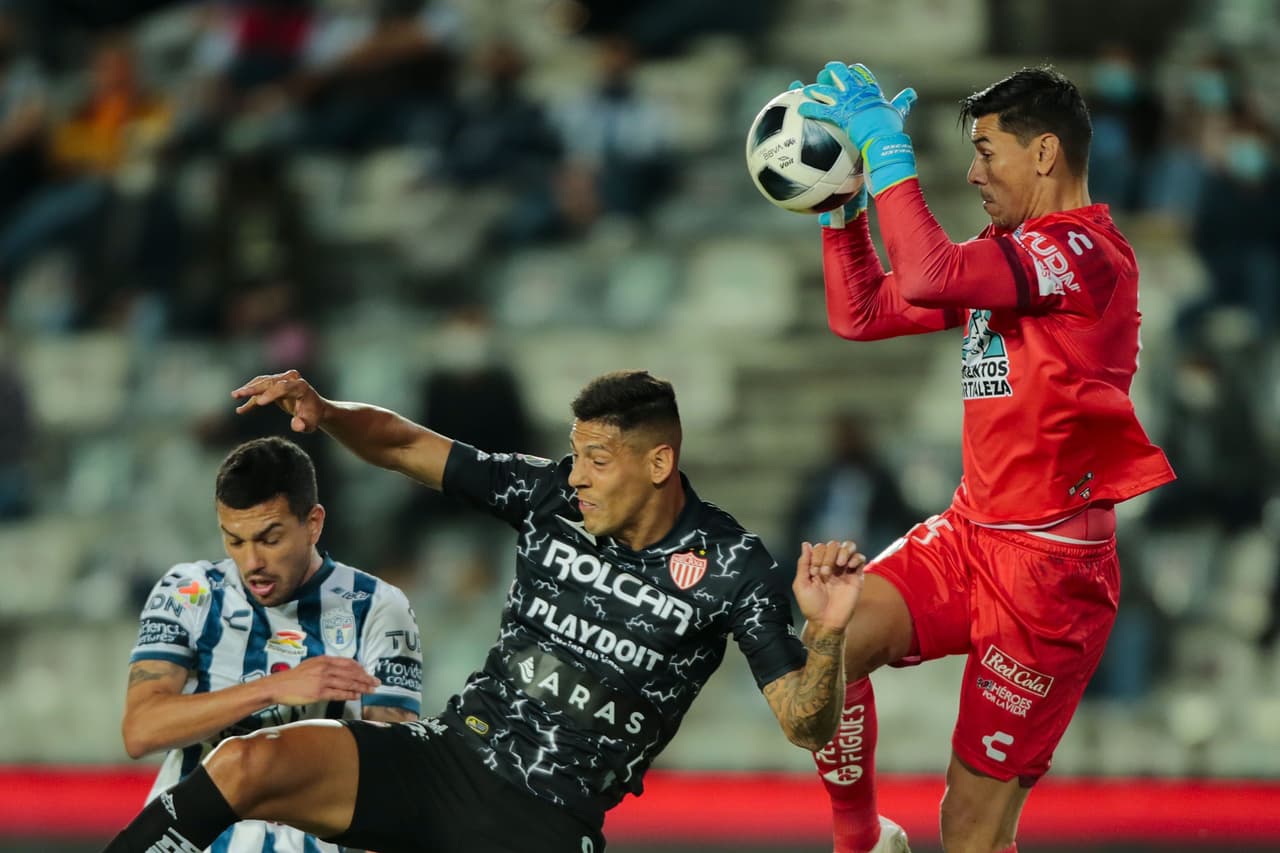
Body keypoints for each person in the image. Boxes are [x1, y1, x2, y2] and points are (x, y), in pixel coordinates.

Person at [104, 368, 867, 853]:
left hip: (544, 819)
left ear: (659, 462)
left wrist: (827, 630)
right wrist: (327, 411)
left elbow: (807, 722)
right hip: (449, 758)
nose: (579, 477)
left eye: (598, 460)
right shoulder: (549, 498)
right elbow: (406, 444)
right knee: (247, 761)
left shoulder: (734, 566)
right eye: (575, 455)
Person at [793, 63, 1177, 853]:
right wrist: (842, 205)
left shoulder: (1085, 254)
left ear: (1044, 153)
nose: (972, 172)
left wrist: (890, 154)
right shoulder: (1007, 254)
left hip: (1050, 574)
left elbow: (928, 272)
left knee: (969, 831)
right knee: (831, 644)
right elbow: (860, 315)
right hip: (971, 533)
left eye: (985, 151)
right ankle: (860, 837)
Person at [121, 436, 422, 852]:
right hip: (194, 839)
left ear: (313, 523)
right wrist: (271, 688)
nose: (251, 563)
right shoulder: (188, 591)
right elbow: (141, 730)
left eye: (270, 538)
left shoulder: (377, 607)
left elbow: (392, 778)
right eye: (235, 540)